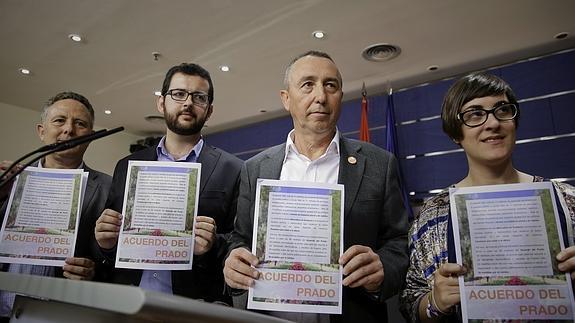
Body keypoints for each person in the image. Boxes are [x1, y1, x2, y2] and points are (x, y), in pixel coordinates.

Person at [223, 50, 409, 322]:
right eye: (308, 84)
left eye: (330, 85)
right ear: (286, 99)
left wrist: (383, 268)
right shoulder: (256, 168)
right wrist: (232, 262)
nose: (320, 96)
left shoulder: (380, 165)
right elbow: (240, 237)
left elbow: (400, 242)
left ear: (341, 97)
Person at [399, 73, 575, 322]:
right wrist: (435, 302)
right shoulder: (433, 215)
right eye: (475, 114)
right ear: (455, 133)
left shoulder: (567, 200)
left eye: (502, 110)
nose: (492, 123)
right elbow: (410, 304)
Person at [94, 63, 242, 304]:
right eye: (179, 94)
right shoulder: (127, 166)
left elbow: (238, 241)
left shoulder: (233, 169)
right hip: (127, 301)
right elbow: (111, 245)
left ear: (209, 110)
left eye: (199, 97)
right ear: (161, 103)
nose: (188, 103)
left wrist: (212, 244)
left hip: (193, 305)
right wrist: (106, 243)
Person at [0, 91, 112, 318]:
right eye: (59, 120)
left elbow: (114, 261)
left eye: (80, 123)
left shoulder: (108, 188)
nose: (69, 130)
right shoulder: (10, 180)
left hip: (60, 315)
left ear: (90, 136)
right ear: (42, 131)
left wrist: (93, 271)